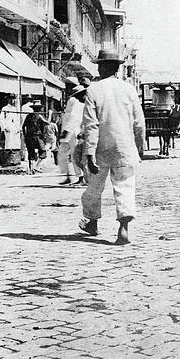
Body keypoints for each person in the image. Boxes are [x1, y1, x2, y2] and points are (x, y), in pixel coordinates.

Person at [79, 49, 145, 245]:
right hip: (125, 147)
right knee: (125, 187)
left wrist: (89, 153)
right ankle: (123, 229)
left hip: (101, 148)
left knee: (94, 187)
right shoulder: (129, 89)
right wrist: (138, 147)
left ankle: (92, 222)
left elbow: (91, 125)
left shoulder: (93, 90)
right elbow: (139, 122)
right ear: (117, 68)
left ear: (102, 67)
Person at [58, 84, 87, 185]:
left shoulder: (74, 101)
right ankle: (70, 176)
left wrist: (64, 134)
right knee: (67, 155)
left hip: (71, 131)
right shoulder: (81, 103)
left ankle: (79, 177)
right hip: (74, 130)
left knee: (71, 155)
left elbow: (72, 118)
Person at [23, 101, 50, 174]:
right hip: (37, 136)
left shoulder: (28, 116)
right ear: (39, 109)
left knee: (31, 153)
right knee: (43, 152)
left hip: (29, 136)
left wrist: (25, 135)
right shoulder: (39, 116)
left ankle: (31, 169)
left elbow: (23, 126)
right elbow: (48, 123)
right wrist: (50, 114)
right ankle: (36, 166)